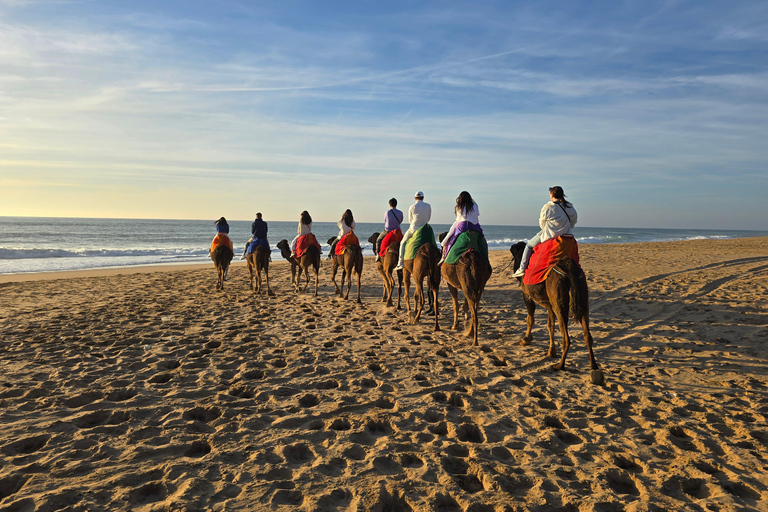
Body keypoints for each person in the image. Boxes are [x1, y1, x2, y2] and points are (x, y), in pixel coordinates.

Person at [513, 186, 577, 277]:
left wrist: (549, 230)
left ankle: (522, 268)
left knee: (529, 246)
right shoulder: (570, 207)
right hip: (567, 235)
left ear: (552, 195)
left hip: (550, 236)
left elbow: (542, 224)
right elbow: (573, 222)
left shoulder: (548, 207)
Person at [439, 191, 480, 264]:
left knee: (452, 240)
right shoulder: (475, 205)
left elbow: (458, 219)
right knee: (482, 240)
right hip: (476, 226)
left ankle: (444, 256)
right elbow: (476, 215)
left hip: (463, 225)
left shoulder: (460, 206)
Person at [395, 191, 432, 270]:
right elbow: (428, 218)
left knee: (402, 243)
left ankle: (400, 263)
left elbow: (410, 220)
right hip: (425, 229)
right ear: (423, 197)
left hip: (414, 229)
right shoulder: (428, 206)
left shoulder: (412, 207)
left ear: (415, 198)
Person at [374, 198, 404, 262]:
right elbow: (400, 221)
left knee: (378, 240)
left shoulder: (387, 212)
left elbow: (385, 221)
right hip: (397, 231)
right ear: (396, 204)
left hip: (388, 231)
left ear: (389, 204)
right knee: (404, 242)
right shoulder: (400, 212)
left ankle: (377, 255)